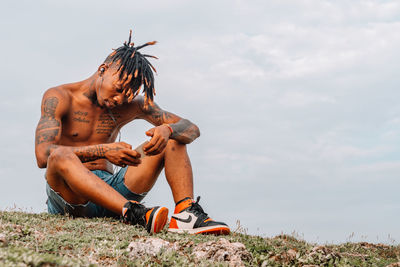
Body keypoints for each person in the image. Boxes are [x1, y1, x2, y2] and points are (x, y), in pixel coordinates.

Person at [34, 30, 230, 235]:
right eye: (118, 88)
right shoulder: (59, 96)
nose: (120, 99)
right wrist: (103, 151)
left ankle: (186, 215)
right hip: (72, 199)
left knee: (173, 138)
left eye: (128, 95)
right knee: (59, 155)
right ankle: (133, 212)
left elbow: (191, 129)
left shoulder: (132, 105)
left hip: (113, 193)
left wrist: (167, 129)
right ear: (103, 69)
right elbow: (43, 155)